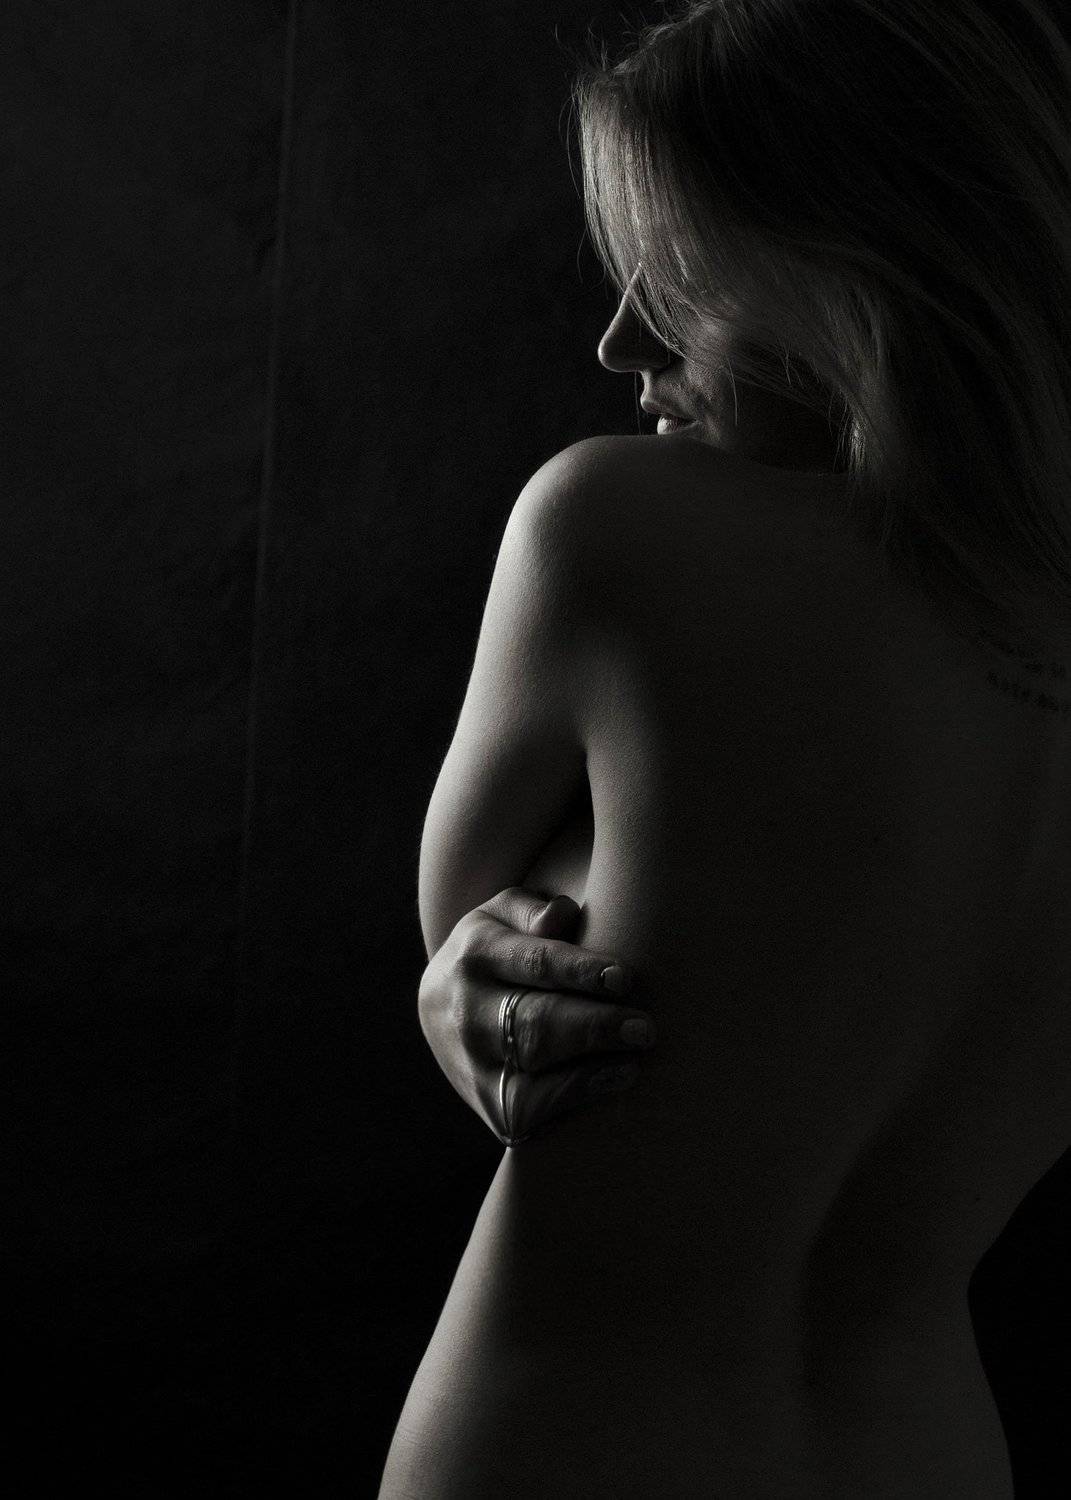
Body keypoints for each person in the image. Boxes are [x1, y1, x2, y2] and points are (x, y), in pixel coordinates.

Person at [378, 2, 1071, 1495]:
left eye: (685, 279)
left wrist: (460, 981)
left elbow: (467, 942)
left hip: (578, 1441)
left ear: (854, 274)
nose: (623, 341)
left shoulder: (616, 530)